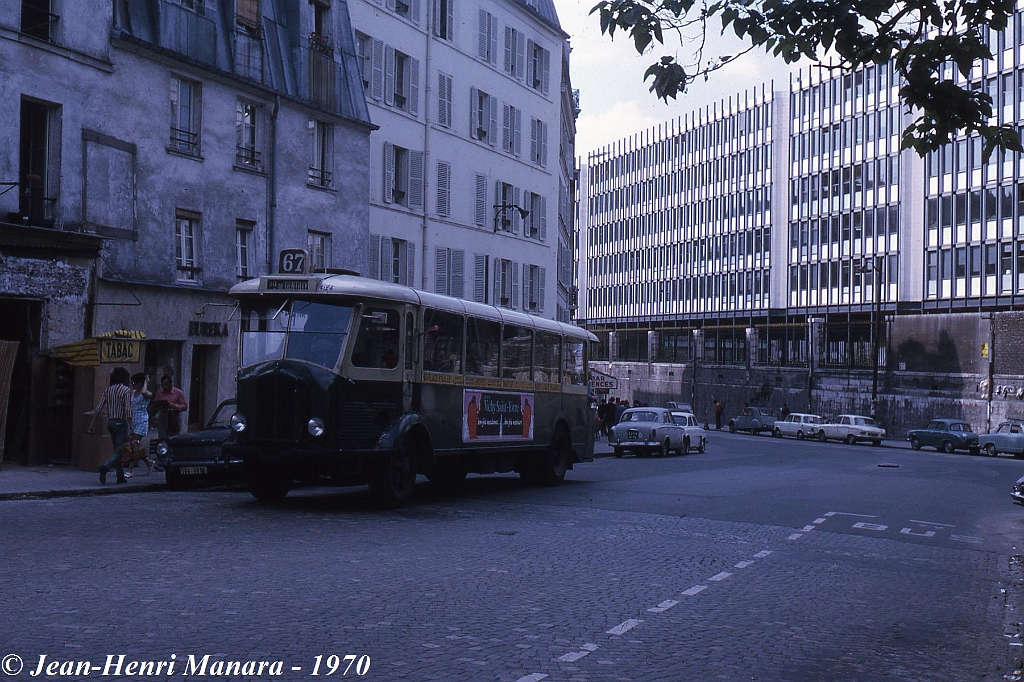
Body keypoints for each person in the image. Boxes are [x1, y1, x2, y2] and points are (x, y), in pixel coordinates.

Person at [87, 366, 133, 484]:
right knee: (121, 451)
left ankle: (120, 476)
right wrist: (131, 426)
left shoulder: (107, 390)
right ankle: (105, 466)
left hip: (110, 422)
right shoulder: (126, 390)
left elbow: (98, 408)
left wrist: (91, 425)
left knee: (117, 449)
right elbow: (128, 410)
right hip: (121, 422)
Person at [125, 372, 157, 477]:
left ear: (140, 383)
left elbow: (144, 392)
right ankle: (149, 462)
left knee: (134, 444)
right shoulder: (133, 393)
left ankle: (130, 470)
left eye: (135, 382)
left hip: (142, 420)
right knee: (137, 445)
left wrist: (146, 382)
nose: (133, 384)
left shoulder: (147, 393)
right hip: (134, 420)